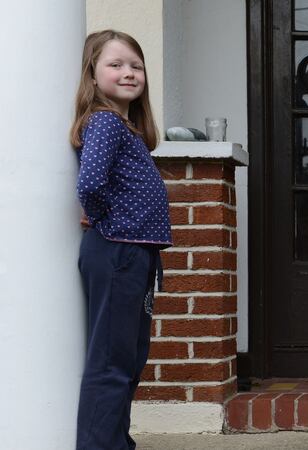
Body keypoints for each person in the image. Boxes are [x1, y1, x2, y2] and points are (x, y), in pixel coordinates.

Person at [70, 30, 172, 450]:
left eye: (136, 65)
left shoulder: (125, 128)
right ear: (92, 75)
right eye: (116, 64)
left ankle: (117, 441)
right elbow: (91, 181)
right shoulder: (105, 122)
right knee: (111, 362)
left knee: (129, 358)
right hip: (117, 250)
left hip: (134, 254)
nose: (129, 72)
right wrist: (98, 215)